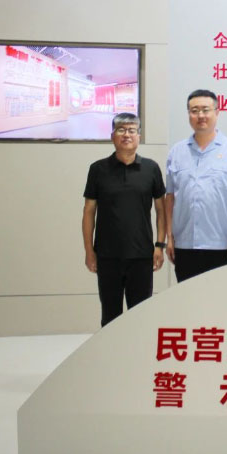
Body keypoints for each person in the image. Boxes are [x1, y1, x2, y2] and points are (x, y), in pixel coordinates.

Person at [82, 113, 166, 327]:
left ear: (139, 136)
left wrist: (160, 245)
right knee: (110, 316)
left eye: (131, 130)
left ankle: (139, 349)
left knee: (140, 315)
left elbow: (161, 209)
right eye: (121, 130)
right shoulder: (98, 169)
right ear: (112, 136)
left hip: (142, 255)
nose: (126, 135)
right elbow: (89, 211)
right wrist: (89, 251)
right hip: (107, 256)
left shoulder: (151, 168)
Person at [164, 89, 227, 283]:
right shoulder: (176, 152)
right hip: (185, 245)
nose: (200, 115)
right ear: (188, 114)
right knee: (187, 299)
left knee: (220, 300)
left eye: (205, 110)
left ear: (217, 112)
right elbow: (170, 197)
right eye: (194, 111)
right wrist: (169, 236)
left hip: (222, 245)